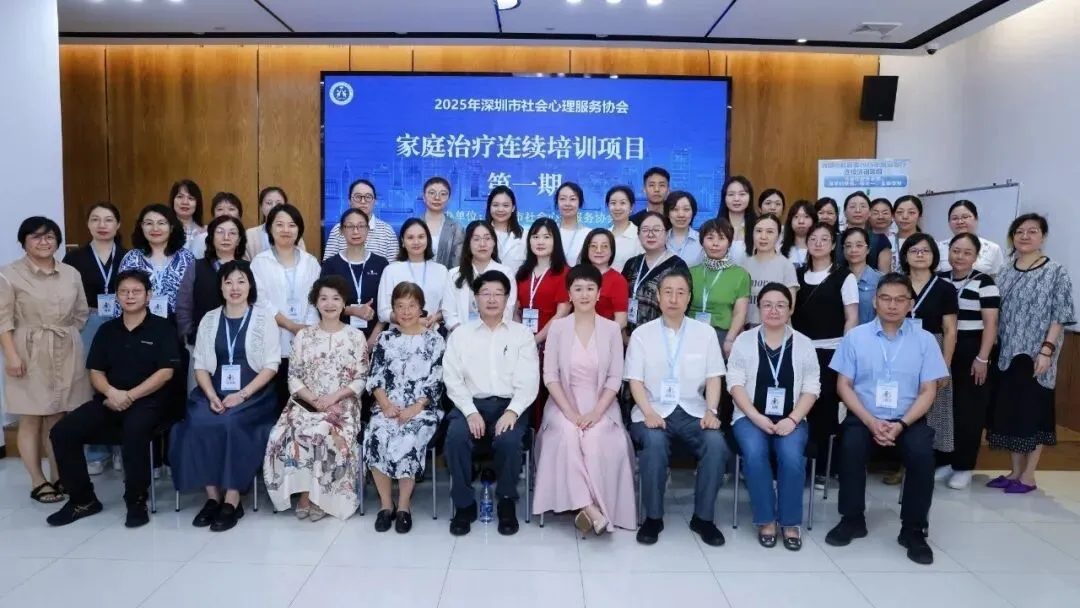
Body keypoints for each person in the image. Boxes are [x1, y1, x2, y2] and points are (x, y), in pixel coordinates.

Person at [825, 273, 948, 565]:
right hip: (864, 416)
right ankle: (852, 519)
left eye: (900, 300)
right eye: (885, 298)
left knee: (922, 454)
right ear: (875, 301)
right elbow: (843, 386)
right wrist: (870, 421)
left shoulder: (925, 341)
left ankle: (913, 529)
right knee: (851, 446)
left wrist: (901, 424)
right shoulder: (856, 337)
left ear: (910, 304)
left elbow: (929, 390)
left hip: (908, 419)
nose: (892, 305)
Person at [47, 269, 182, 528]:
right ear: (117, 296)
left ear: (148, 295)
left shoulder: (163, 328)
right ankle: (82, 499)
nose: (130, 296)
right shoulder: (107, 330)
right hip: (110, 399)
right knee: (62, 432)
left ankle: (136, 500)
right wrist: (111, 393)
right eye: (124, 292)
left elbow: (165, 373)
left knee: (134, 430)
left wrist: (129, 396)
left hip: (150, 401)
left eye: (136, 291)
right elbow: (95, 372)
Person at [169, 261, 280, 532]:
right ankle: (212, 498)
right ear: (220, 287)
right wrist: (210, 395)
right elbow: (200, 366)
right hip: (214, 390)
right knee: (197, 422)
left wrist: (241, 395)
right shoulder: (209, 319)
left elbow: (271, 365)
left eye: (241, 281)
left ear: (250, 285)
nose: (235, 288)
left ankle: (232, 499)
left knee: (231, 423)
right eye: (228, 282)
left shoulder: (263, 318)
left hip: (254, 394)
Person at [626, 269, 728, 546]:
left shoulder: (705, 334)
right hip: (651, 410)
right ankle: (653, 518)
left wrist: (712, 411)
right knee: (654, 443)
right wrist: (648, 413)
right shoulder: (642, 335)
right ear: (658, 297)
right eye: (668, 292)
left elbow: (714, 377)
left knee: (716, 444)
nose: (674, 298)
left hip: (694, 411)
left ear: (689, 297)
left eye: (680, 292)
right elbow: (635, 380)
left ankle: (703, 518)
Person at [532, 265, 636, 533]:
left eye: (590, 288)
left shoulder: (611, 329)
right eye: (578, 289)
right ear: (569, 294)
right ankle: (590, 508)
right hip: (563, 403)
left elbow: (615, 377)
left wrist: (596, 412)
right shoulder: (558, 328)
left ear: (599, 293)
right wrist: (569, 412)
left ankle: (587, 508)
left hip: (602, 404)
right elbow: (550, 376)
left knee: (597, 437)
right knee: (567, 434)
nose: (584, 294)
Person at [1, 217, 91, 504]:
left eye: (50, 237)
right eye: (37, 237)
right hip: (28, 351)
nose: (44, 242)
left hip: (65, 348)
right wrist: (11, 355)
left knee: (58, 415)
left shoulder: (70, 273)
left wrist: (65, 335)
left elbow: (81, 313)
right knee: (31, 416)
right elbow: (3, 320)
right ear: (24, 242)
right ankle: (38, 481)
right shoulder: (9, 274)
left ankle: (59, 474)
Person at [263, 276, 369, 521]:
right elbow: (293, 377)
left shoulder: (355, 336)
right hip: (305, 403)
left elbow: (361, 378)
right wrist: (313, 400)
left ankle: (321, 497)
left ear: (344, 303)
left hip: (343, 405)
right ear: (315, 303)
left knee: (324, 431)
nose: (329, 304)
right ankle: (305, 493)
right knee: (286, 434)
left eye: (336, 298)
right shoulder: (304, 336)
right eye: (324, 298)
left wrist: (333, 398)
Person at [443, 270, 540, 536]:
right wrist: (470, 412)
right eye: (485, 293)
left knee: (509, 440)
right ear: (475, 299)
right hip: (470, 404)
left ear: (507, 299)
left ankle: (506, 501)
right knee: (456, 436)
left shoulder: (522, 334)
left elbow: (529, 379)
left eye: (498, 293)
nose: (492, 299)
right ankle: (464, 505)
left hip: (510, 405)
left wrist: (512, 411)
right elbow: (452, 378)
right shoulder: (461, 335)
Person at [986, 213, 1075, 492]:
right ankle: (1014, 472)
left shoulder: (1055, 271)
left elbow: (1061, 315)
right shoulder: (1005, 271)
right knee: (1011, 413)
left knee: (1033, 413)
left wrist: (1047, 350)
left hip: (1037, 355)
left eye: (1032, 231)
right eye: (1019, 231)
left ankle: (1028, 476)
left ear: (1043, 237)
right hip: (1006, 354)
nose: (1025, 236)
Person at [728, 283, 820, 550]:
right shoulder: (744, 341)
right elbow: (734, 383)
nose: (774, 310)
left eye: (781, 305)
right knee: (754, 453)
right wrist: (755, 416)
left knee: (791, 457)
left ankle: (790, 522)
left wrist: (792, 420)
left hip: (792, 418)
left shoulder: (804, 344)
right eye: (767, 305)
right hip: (749, 417)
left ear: (790, 309)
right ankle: (766, 519)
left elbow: (812, 388)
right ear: (758, 309)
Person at [364, 282, 445, 533]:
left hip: (422, 409)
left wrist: (415, 408)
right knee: (377, 433)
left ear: (421, 308)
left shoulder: (435, 340)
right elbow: (375, 377)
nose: (406, 311)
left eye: (412, 305)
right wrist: (385, 405)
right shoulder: (385, 339)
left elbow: (437, 381)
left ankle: (403, 506)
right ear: (393, 310)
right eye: (400, 306)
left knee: (409, 436)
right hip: (387, 406)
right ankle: (385, 505)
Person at [791, 223, 858, 489]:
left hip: (832, 351)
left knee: (825, 410)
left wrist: (844, 355)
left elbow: (851, 318)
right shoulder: (797, 275)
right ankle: (799, 464)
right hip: (800, 351)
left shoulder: (844, 276)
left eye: (824, 239)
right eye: (813, 239)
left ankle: (823, 469)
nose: (818, 243)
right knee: (799, 407)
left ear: (832, 245)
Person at [62, 202, 126, 475]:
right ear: (88, 224)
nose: (102, 225)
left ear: (118, 225)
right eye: (96, 219)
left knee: (122, 380)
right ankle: (97, 451)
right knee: (91, 383)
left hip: (123, 320)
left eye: (108, 219)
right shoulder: (74, 259)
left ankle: (121, 446)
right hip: (88, 321)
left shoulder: (128, 256)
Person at [935, 233, 999, 489]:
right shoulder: (940, 278)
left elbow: (991, 324)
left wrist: (982, 357)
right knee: (945, 407)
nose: (960, 256)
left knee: (969, 410)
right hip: (943, 346)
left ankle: (964, 466)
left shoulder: (984, 282)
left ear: (976, 256)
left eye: (967, 252)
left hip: (972, 348)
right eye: (956, 251)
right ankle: (945, 461)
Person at [250, 203, 321, 411]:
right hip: (272, 336)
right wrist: (290, 325)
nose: (285, 230)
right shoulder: (259, 262)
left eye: (291, 225)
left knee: (303, 399)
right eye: (279, 224)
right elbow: (260, 300)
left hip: (306, 339)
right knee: (275, 400)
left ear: (299, 229)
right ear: (270, 228)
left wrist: (306, 328)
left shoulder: (310, 262)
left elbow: (316, 299)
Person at [899, 235, 958, 477]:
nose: (920, 255)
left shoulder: (944, 288)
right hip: (899, 347)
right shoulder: (897, 283)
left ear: (934, 256)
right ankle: (901, 464)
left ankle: (924, 465)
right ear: (905, 255)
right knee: (901, 403)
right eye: (914, 250)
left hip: (933, 347)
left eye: (926, 250)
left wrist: (944, 365)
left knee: (933, 408)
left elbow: (950, 329)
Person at [119, 204, 197, 331]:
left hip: (178, 328)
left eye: (161, 223)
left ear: (171, 227)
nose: (155, 228)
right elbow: (121, 295)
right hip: (139, 327)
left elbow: (194, 297)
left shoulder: (186, 258)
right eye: (149, 223)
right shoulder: (131, 258)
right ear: (141, 227)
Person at [319, 208, 389, 349]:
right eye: (350, 226)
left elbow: (387, 305)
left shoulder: (381, 264)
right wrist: (352, 310)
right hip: (338, 340)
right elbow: (322, 304)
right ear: (341, 230)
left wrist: (372, 342)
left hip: (375, 339)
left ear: (368, 229)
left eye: (361, 226)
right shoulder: (331, 265)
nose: (356, 231)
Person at [178, 215, 247, 347]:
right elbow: (184, 305)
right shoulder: (196, 267)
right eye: (220, 232)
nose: (226, 237)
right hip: (200, 341)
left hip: (241, 342)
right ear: (211, 237)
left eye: (232, 233)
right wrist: (188, 333)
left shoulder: (249, 268)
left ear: (239, 240)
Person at [688, 218, 750, 355]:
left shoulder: (740, 275)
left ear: (729, 243)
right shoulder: (690, 272)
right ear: (702, 242)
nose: (715, 243)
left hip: (721, 335)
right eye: (710, 238)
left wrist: (730, 339)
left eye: (721, 238)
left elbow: (740, 313)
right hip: (689, 333)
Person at [442, 220, 516, 332]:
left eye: (487, 238)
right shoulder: (454, 274)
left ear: (494, 242)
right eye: (476, 239)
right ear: (468, 244)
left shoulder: (506, 273)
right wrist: (463, 335)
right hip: (461, 337)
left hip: (496, 335)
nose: (482, 244)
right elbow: (449, 312)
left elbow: (508, 309)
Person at [622, 211, 688, 334]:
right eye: (645, 230)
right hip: (629, 337)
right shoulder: (631, 264)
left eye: (656, 230)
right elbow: (620, 300)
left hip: (662, 336)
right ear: (639, 235)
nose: (650, 234)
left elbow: (682, 305)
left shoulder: (677, 266)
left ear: (666, 234)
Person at [377, 218, 449, 330]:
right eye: (410, 237)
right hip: (399, 334)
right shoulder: (391, 270)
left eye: (421, 237)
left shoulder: (441, 270)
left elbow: (447, 307)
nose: (416, 242)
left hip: (431, 333)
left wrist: (435, 318)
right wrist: (412, 321)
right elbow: (383, 312)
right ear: (402, 242)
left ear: (428, 239)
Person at [514, 217, 572, 342]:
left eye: (546, 237)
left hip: (553, 341)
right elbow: (515, 310)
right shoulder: (522, 272)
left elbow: (562, 313)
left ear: (556, 241)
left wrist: (535, 340)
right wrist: (523, 338)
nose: (540, 242)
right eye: (535, 237)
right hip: (523, 340)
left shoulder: (565, 273)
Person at [742, 213, 798, 327]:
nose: (763, 236)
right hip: (748, 329)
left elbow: (790, 308)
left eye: (770, 232)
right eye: (758, 231)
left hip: (776, 328)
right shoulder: (744, 265)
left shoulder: (786, 266)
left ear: (778, 236)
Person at [323, 179, 398, 262]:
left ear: (375, 201)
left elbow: (394, 267)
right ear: (349, 201)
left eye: (368, 197)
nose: (363, 201)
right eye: (358, 197)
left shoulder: (387, 231)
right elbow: (328, 265)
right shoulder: (338, 229)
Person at [936, 200, 1006, 277]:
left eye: (965, 217)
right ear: (949, 222)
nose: (960, 222)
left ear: (976, 219)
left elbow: (996, 278)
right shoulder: (938, 247)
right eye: (955, 218)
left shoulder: (993, 248)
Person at [580, 228, 629, 329]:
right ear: (587, 249)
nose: (598, 251)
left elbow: (621, 321)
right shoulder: (576, 275)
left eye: (605, 246)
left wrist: (600, 337)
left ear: (612, 251)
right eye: (593, 246)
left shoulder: (618, 281)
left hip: (604, 335)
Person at [245, 187, 307, 259]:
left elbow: (302, 260)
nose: (274, 207)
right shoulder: (250, 234)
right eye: (269, 203)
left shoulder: (292, 232)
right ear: (261, 207)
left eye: (278, 203)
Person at [842, 227, 883, 324]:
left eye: (859, 245)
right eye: (848, 246)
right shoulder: (837, 278)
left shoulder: (880, 280)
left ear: (868, 249)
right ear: (843, 250)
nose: (853, 250)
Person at [421, 176, 465, 268]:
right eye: (432, 193)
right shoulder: (412, 226)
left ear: (449, 199)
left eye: (443, 194)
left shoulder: (457, 229)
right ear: (424, 197)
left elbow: (457, 264)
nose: (437, 197)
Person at [842, 191, 891, 271]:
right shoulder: (835, 239)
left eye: (863, 206)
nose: (858, 210)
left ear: (870, 213)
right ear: (844, 212)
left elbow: (885, 275)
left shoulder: (880, 240)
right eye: (852, 206)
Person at [486, 185, 527, 276]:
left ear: (513, 208)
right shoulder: (481, 234)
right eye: (495, 205)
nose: (500, 209)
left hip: (515, 284)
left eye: (505, 205)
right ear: (489, 207)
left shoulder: (525, 236)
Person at [191, 192, 244, 259]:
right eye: (220, 209)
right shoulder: (201, 239)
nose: (225, 213)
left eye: (231, 209)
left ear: (239, 215)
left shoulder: (247, 238)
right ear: (213, 215)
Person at [718, 176, 755, 265]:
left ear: (750, 197)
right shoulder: (714, 226)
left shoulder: (759, 226)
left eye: (742, 194)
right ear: (724, 197)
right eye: (731, 194)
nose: (736, 199)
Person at [606, 185, 643, 271]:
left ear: (631, 207)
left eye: (622, 203)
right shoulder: (603, 235)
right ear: (608, 206)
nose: (617, 208)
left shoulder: (640, 235)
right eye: (613, 203)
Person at [665, 190, 704, 266]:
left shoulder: (702, 240)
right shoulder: (660, 240)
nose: (681, 215)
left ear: (693, 212)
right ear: (668, 214)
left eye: (686, 209)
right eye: (675, 209)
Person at [555, 182, 589, 263]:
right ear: (557, 202)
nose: (567, 204)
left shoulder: (588, 234)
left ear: (580, 203)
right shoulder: (548, 232)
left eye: (573, 199)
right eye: (562, 199)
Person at [171, 179, 205, 253]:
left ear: (197, 203)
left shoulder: (205, 233)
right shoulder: (163, 230)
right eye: (180, 197)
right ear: (172, 201)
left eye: (190, 198)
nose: (185, 202)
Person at [780, 200, 816, 269]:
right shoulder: (780, 249)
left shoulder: (819, 248)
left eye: (806, 216)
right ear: (790, 221)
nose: (801, 221)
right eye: (796, 216)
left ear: (814, 220)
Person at [892, 195, 924, 271]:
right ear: (893, 216)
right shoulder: (887, 241)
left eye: (911, 212)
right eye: (900, 212)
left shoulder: (928, 243)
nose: (905, 216)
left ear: (919, 216)